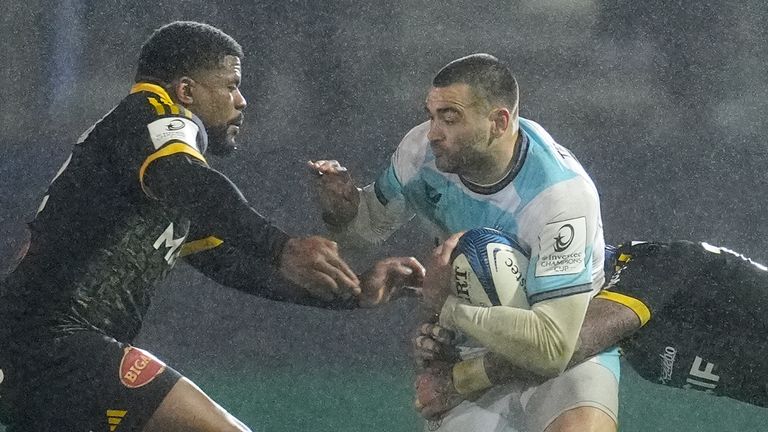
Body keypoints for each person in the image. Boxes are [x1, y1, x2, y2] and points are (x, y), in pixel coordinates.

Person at [0, 21, 424, 432]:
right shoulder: (154, 115)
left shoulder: (145, 168)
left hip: (38, 357)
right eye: (231, 85)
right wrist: (281, 245)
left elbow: (231, 264)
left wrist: (352, 293)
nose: (241, 101)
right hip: (54, 343)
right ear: (186, 90)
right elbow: (192, 180)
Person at [310, 54, 618, 432]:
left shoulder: (560, 198)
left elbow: (552, 348)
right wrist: (342, 213)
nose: (433, 131)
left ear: (498, 122)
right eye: (431, 114)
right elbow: (364, 232)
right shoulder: (420, 153)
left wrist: (446, 306)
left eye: (450, 117)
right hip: (470, 344)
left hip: (569, 345)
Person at [412, 239, 768, 417]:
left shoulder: (655, 264)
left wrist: (460, 375)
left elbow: (562, 346)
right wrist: (449, 340)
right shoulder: (624, 333)